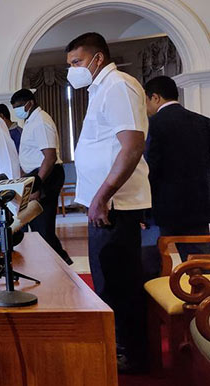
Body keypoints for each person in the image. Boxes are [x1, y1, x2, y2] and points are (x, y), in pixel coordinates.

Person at [66, 32, 150, 372]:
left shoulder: (118, 86)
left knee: (120, 282)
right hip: (103, 205)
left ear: (97, 58)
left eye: (76, 63)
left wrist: (101, 198)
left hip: (115, 206)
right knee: (107, 281)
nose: (72, 71)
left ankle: (133, 355)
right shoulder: (101, 89)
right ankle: (119, 346)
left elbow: (131, 147)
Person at [144, 75, 210, 261]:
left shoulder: (152, 126)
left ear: (155, 97)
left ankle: (158, 289)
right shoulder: (204, 122)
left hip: (161, 205)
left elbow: (151, 168)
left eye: (146, 101)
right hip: (198, 204)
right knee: (201, 263)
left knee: (152, 261)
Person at [10, 89, 73, 265]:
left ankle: (60, 262)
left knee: (42, 226)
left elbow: (50, 156)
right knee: (37, 225)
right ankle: (57, 261)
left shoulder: (41, 121)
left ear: (29, 103)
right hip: (37, 175)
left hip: (45, 175)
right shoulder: (31, 120)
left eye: (18, 107)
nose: (17, 110)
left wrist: (37, 185)